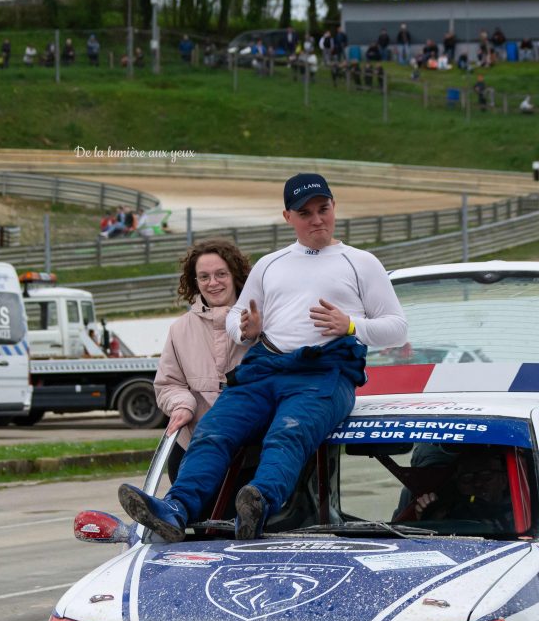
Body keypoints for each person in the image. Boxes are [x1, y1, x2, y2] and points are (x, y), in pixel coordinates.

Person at [118, 174, 408, 542]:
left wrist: (350, 325)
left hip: (324, 372)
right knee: (212, 431)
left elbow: (397, 328)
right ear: (288, 217)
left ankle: (258, 504)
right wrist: (249, 331)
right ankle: (175, 511)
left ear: (334, 207)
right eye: (305, 213)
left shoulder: (361, 262)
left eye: (324, 209)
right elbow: (238, 324)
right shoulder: (270, 264)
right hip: (264, 367)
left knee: (288, 435)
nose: (317, 219)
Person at [154, 239, 253, 481]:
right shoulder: (180, 329)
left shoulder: (259, 322)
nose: (213, 283)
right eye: (204, 276)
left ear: (236, 275)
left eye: (221, 274)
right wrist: (182, 405)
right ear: (195, 281)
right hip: (193, 447)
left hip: (251, 452)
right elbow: (168, 384)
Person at [412, 448, 514, 531]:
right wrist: (428, 520)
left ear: (504, 480)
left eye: (486, 476)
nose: (478, 484)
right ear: (458, 486)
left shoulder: (523, 514)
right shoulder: (448, 516)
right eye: (467, 479)